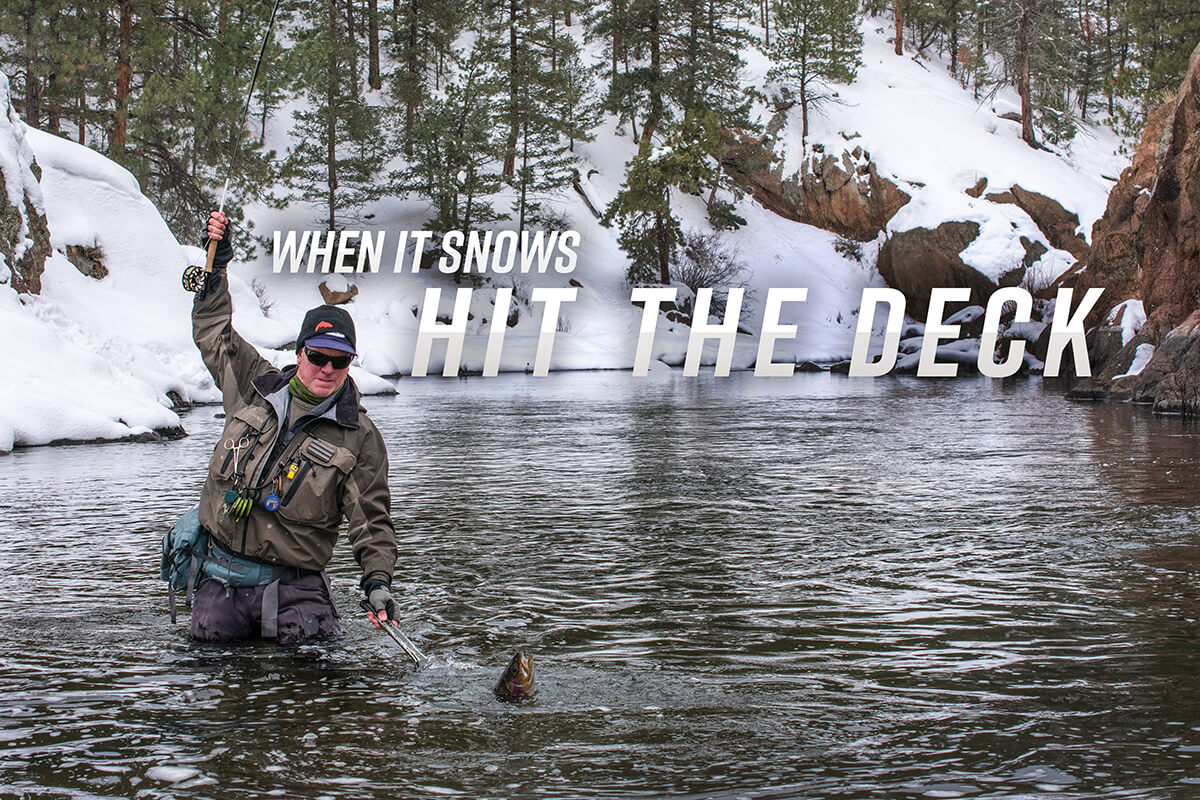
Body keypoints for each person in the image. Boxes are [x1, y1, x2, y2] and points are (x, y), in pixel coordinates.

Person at [188, 210, 398, 644]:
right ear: (299, 352)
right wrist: (217, 267)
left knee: (311, 695)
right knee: (208, 691)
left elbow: (371, 521)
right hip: (219, 582)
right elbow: (214, 331)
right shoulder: (252, 387)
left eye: (340, 361)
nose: (327, 369)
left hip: (295, 589)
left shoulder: (359, 436)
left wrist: (377, 582)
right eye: (318, 356)